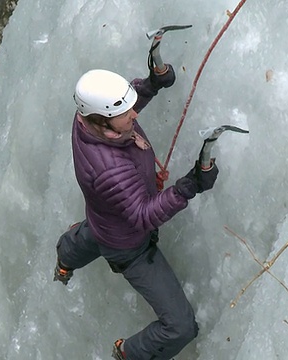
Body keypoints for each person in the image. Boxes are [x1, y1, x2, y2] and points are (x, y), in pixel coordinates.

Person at [53, 64, 219, 360]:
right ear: (102, 120)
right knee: (180, 327)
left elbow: (120, 110)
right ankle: (128, 352)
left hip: (105, 218)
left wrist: (151, 84)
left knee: (93, 233)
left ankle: (65, 258)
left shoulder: (86, 122)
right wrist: (189, 185)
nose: (135, 115)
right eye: (127, 113)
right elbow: (143, 217)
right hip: (129, 245)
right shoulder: (110, 171)